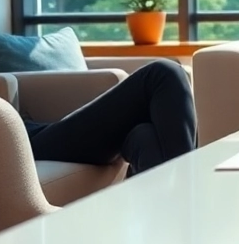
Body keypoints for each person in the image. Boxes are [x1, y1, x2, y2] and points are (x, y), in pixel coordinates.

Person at [24, 60, 196, 176]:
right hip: (22, 141)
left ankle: (180, 216)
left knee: (144, 136)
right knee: (163, 73)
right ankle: (192, 195)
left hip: (31, 129)